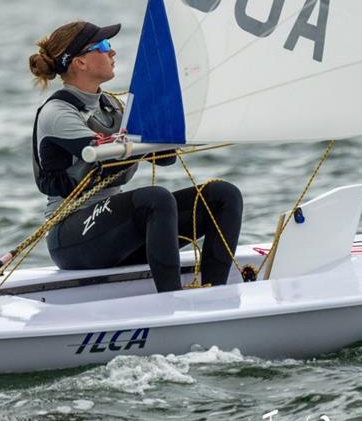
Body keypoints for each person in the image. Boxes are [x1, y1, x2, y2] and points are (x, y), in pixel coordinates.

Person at [28, 20, 242, 293]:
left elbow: (164, 159)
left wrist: (170, 117)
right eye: (104, 46)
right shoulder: (57, 113)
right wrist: (141, 137)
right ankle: (171, 302)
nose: (112, 52)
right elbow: (107, 157)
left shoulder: (112, 107)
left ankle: (215, 292)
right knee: (156, 199)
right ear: (79, 62)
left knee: (223, 195)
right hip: (71, 238)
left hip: (116, 235)